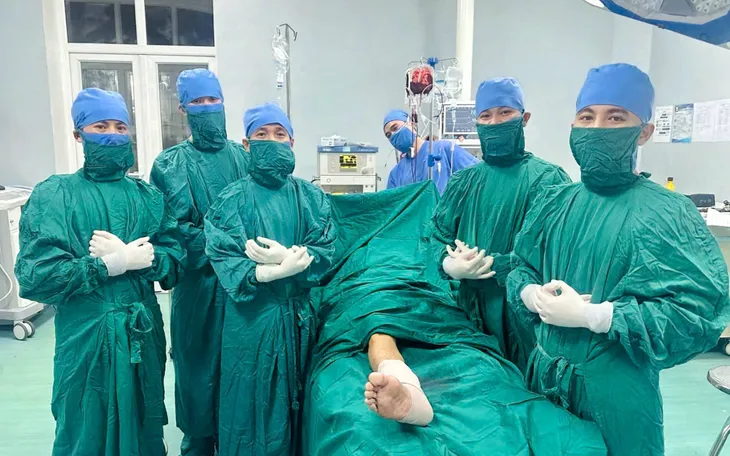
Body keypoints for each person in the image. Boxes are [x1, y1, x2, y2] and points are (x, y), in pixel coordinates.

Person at [506, 63, 730, 455]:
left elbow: (697, 314)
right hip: (543, 379)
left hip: (616, 392)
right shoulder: (554, 202)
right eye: (586, 117)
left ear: (644, 131)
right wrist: (529, 293)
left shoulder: (668, 213)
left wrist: (597, 316)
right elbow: (520, 266)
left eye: (615, 117)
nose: (597, 128)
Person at [303, 181, 607, 455]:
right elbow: (320, 270)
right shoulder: (348, 256)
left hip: (421, 295)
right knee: (377, 324)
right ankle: (400, 377)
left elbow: (436, 257)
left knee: (382, 324)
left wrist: (449, 264)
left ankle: (401, 378)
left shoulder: (421, 244)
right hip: (360, 293)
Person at [15, 88, 186, 456]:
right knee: (85, 425)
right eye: (100, 126)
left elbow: (175, 260)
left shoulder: (147, 197)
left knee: (143, 422)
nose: (112, 134)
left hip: (142, 334)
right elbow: (35, 275)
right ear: (78, 135)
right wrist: (108, 265)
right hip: (86, 337)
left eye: (120, 127)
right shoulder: (56, 195)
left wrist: (150, 258)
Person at [204, 103, 336, 455]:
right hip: (251, 325)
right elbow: (223, 253)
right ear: (246, 145)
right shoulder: (231, 200)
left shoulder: (311, 197)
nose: (272, 140)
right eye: (261, 134)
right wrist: (264, 273)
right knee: (249, 407)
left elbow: (326, 250)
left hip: (300, 320)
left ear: (292, 142)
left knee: (301, 406)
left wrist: (293, 258)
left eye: (280, 134)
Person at [431, 77, 570, 371]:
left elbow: (554, 251)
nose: (494, 122)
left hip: (523, 313)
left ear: (524, 118)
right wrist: (449, 263)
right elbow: (436, 236)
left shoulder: (549, 180)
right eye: (486, 116)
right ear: (477, 123)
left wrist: (499, 265)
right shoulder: (464, 182)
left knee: (522, 387)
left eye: (505, 113)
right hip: (466, 312)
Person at [149, 68, 249, 456]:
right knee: (197, 376)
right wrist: (227, 244)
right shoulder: (169, 166)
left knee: (239, 378)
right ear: (183, 109)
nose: (207, 107)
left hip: (242, 289)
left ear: (223, 103)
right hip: (198, 292)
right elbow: (171, 233)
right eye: (197, 102)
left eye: (213, 100)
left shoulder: (243, 158)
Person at [383, 109, 478, 194]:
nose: (393, 135)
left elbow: (479, 176)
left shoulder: (444, 149)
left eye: (395, 128)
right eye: (388, 135)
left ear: (411, 124)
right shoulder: (395, 174)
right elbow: (392, 205)